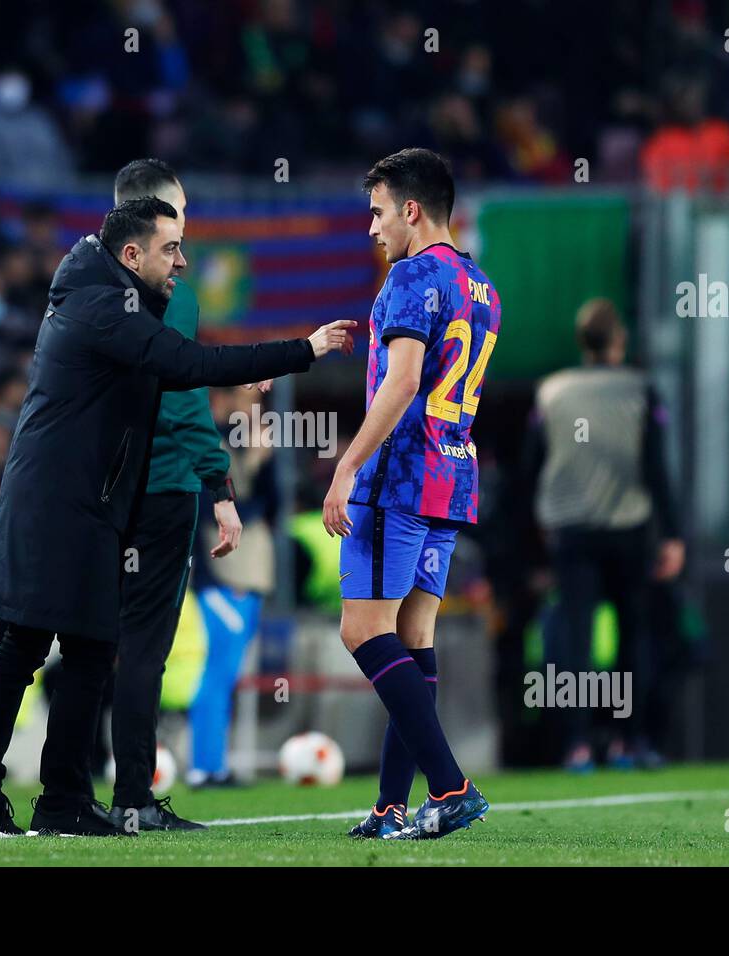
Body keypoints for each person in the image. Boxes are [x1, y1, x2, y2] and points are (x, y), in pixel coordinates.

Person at [0, 198, 353, 838]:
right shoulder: (108, 308)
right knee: (45, 648)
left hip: (70, 499)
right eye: (171, 248)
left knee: (69, 648)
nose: (183, 260)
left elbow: (180, 375)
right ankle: (3, 794)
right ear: (131, 255)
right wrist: (304, 348)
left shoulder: (101, 296)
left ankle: (42, 798)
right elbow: (191, 366)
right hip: (62, 505)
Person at [322, 148, 497, 840]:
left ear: (412, 210)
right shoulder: (483, 288)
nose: (371, 228)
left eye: (377, 211)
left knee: (361, 629)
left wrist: (345, 467)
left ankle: (450, 787)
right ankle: (392, 807)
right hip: (452, 476)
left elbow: (401, 384)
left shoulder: (407, 277)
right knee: (412, 635)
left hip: (399, 475)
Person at [107, 159, 242, 831]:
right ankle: (134, 796)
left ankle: (67, 792)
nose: (185, 235)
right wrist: (219, 485)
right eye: (180, 215)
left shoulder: (85, 284)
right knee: (143, 648)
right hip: (162, 489)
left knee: (90, 645)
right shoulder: (172, 286)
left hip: (96, 493)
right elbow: (182, 401)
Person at [525, 298, 683, 771]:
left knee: (576, 639)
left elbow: (530, 465)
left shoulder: (551, 392)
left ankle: (576, 742)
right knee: (634, 635)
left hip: (570, 530)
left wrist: (534, 529)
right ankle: (627, 739)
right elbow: (656, 467)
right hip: (628, 528)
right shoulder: (640, 390)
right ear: (619, 341)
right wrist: (672, 534)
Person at [187, 387, 279, 788]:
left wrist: (263, 460)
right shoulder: (214, 445)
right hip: (223, 572)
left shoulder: (252, 446)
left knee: (227, 672)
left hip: (250, 571)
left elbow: (270, 503)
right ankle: (204, 765)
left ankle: (214, 764)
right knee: (217, 670)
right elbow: (219, 503)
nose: (251, 410)